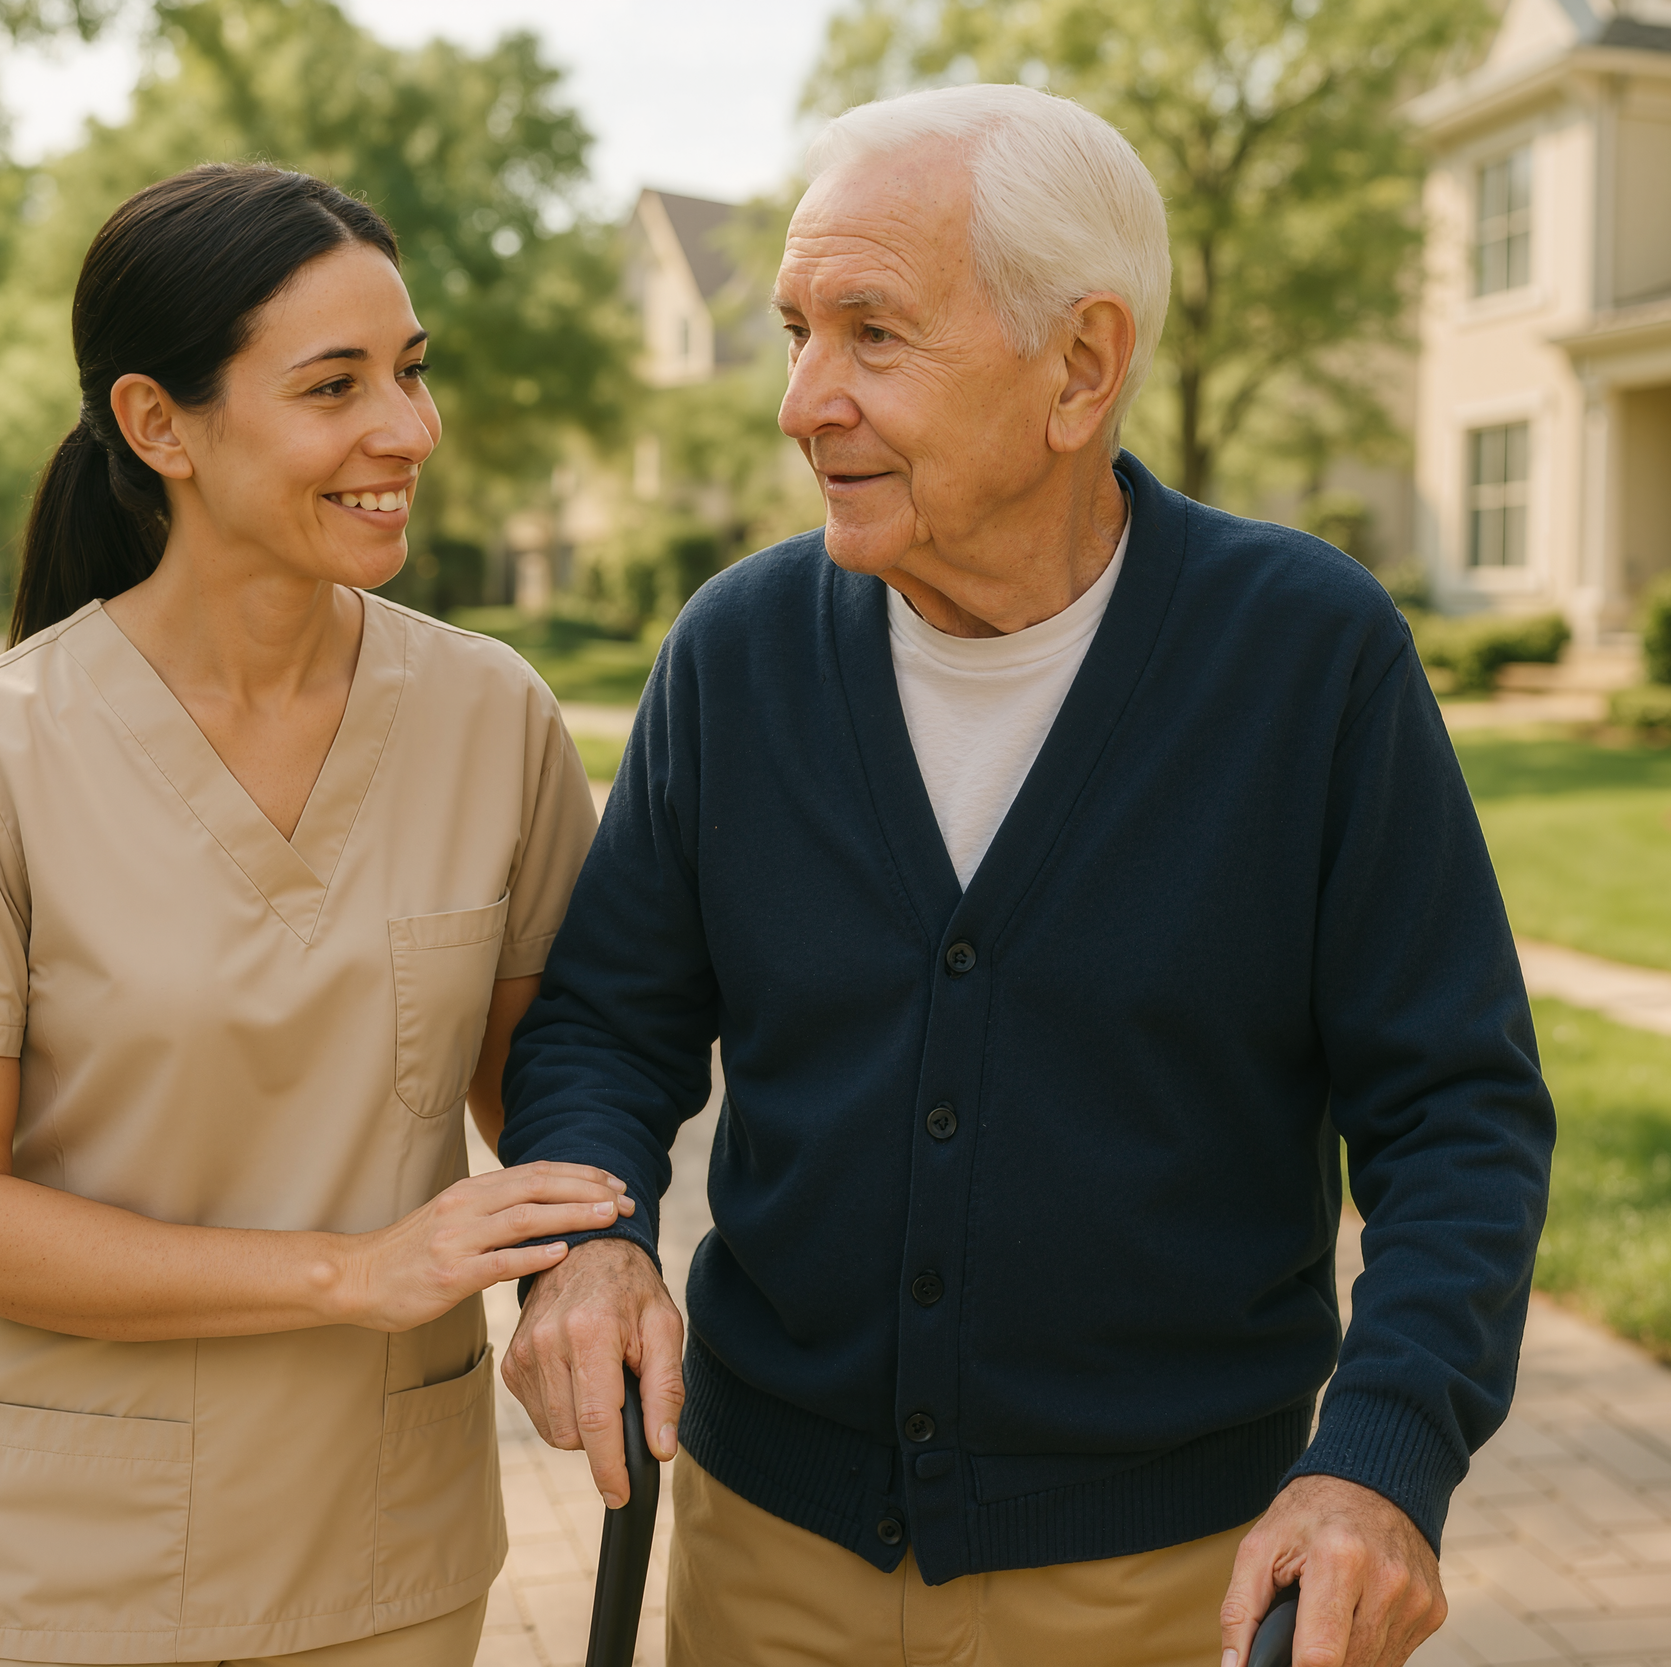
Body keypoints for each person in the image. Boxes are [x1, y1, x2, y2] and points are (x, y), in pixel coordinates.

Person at [497, 84, 1556, 1667]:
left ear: (1080, 368)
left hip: (1175, 1577)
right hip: (766, 1547)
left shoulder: (1304, 656)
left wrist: (1381, 1462)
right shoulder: (739, 651)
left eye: (872, 334)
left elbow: (1457, 1111)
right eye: (795, 329)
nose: (801, 401)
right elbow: (604, 1021)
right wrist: (594, 1236)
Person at [0, 163, 617, 1667]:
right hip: (58, 1566)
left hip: (388, 1553)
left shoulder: (489, 715)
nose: (407, 431)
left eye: (412, 372)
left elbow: (552, 1078)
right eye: (334, 385)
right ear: (156, 423)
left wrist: (597, 1256)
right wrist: (351, 1273)